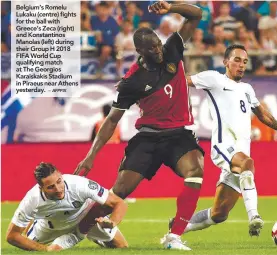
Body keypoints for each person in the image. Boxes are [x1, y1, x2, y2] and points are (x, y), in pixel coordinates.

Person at [74, 1, 203, 251]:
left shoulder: (173, 48)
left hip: (179, 134)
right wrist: (91, 157)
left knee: (195, 171)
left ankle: (174, 236)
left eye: (157, 44)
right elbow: (112, 120)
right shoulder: (131, 81)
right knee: (118, 193)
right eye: (151, 48)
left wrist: (172, 8)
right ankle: (80, 228)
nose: (158, 50)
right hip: (148, 137)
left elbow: (197, 14)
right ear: (139, 51)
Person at [169, 44, 277, 237]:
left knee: (219, 213)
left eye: (245, 62)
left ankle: (177, 228)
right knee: (247, 164)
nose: (241, 65)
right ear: (226, 62)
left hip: (240, 152)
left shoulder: (247, 89)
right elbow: (182, 81)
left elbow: (262, 114)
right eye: (237, 60)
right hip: (223, 145)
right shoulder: (214, 79)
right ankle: (254, 216)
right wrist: (157, 80)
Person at [6, 162, 128, 251]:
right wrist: (46, 250)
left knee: (122, 246)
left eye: (59, 181)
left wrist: (112, 222)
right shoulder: (32, 199)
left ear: (61, 175)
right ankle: (35, 221)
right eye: (50, 187)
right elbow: (12, 236)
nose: (58, 189)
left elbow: (119, 203)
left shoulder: (79, 184)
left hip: (86, 218)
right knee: (29, 247)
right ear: (41, 188)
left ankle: (90, 234)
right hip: (50, 228)